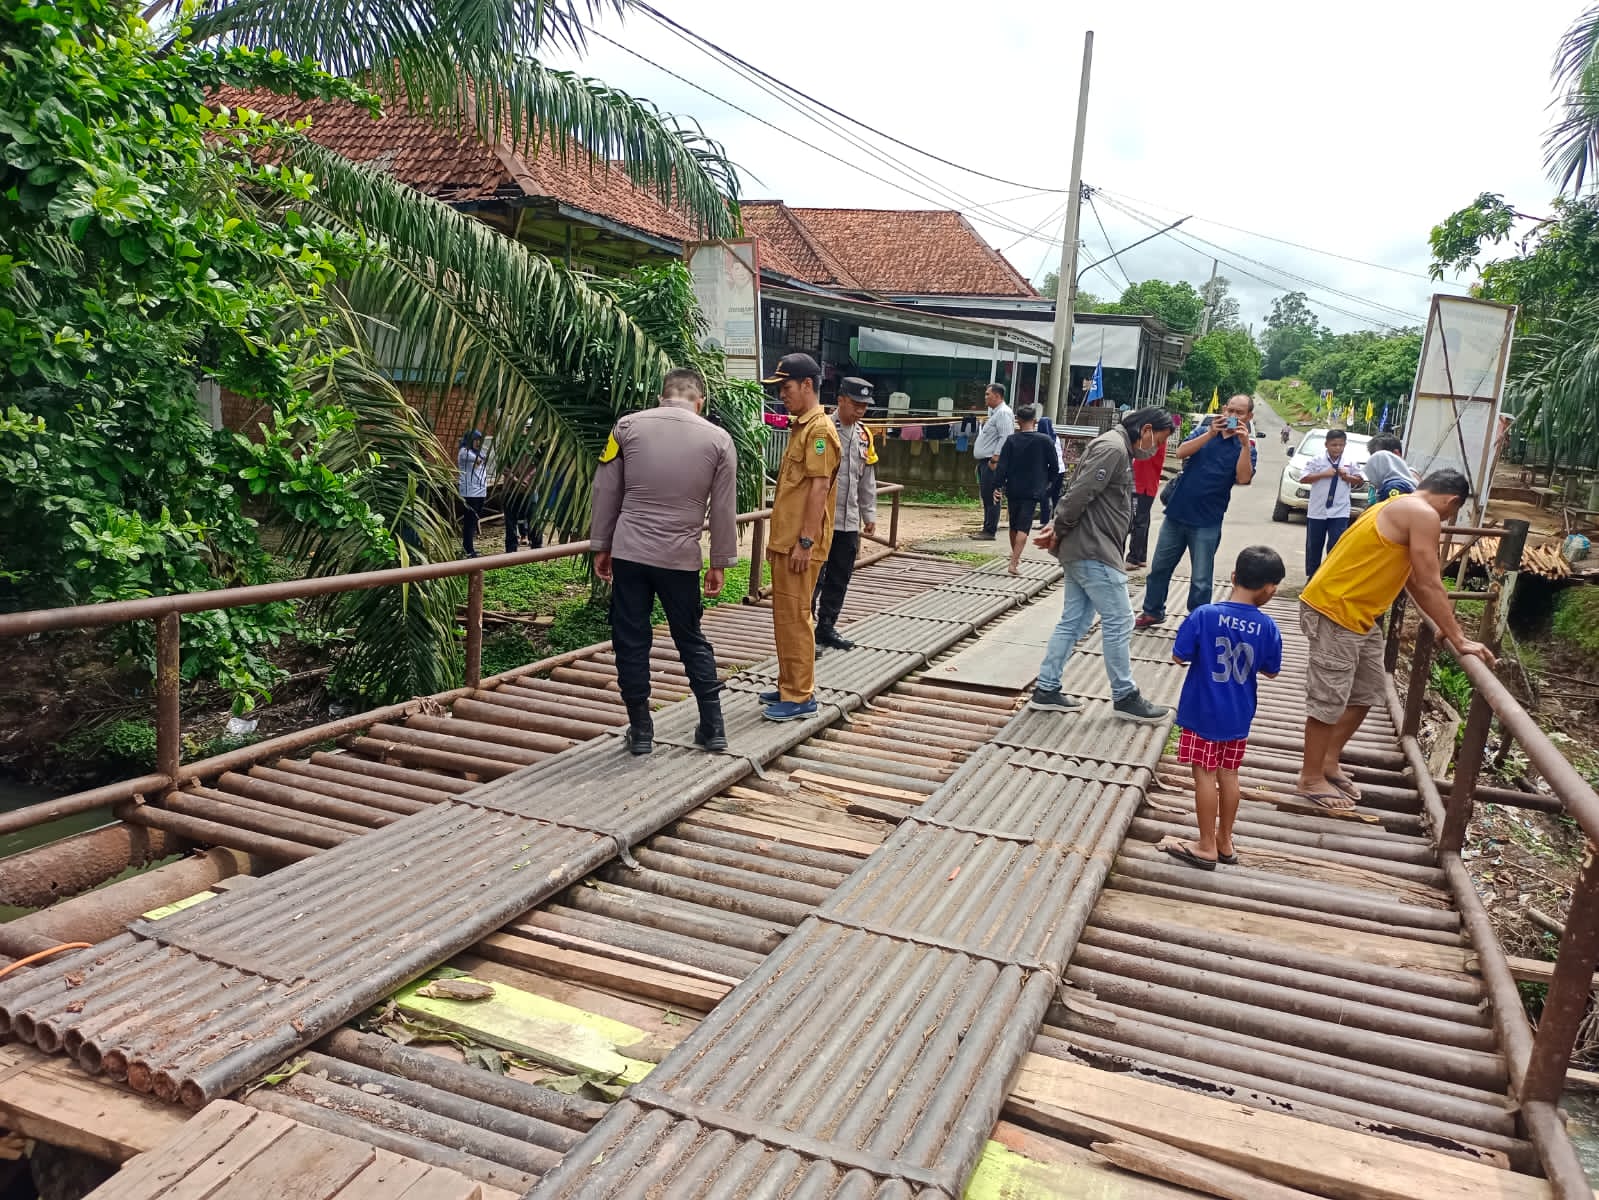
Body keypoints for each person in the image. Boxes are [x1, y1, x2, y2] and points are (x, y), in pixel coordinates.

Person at [1294, 471, 1495, 810]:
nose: (1447, 519)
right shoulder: (1423, 513)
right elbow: (1430, 581)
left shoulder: (1399, 505)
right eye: (1452, 513)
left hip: (1361, 614)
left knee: (1367, 692)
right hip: (1336, 610)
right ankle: (1310, 777)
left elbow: (1414, 577)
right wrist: (1459, 638)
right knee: (1329, 698)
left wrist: (1445, 626)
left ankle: (1328, 760)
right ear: (1451, 501)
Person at [589, 368, 738, 756]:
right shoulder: (719, 439)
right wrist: (719, 561)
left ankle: (641, 730)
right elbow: (724, 508)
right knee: (690, 637)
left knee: (631, 638)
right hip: (680, 559)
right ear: (699, 402)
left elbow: (606, 490)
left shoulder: (627, 427)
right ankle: (713, 727)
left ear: (661, 397)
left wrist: (602, 545)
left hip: (630, 553)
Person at [1028, 407, 1176, 723]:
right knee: (1120, 619)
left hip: (1087, 546)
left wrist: (1059, 528)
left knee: (1075, 621)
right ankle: (1125, 695)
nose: (1157, 448)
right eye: (1159, 440)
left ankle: (1047, 688)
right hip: (1093, 549)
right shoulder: (1113, 448)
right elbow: (1081, 492)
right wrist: (1058, 528)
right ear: (1146, 430)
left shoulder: (1117, 447)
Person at [1160, 546, 1286, 870]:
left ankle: (1205, 846)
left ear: (1233, 577)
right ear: (1269, 589)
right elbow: (1271, 670)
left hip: (1203, 712)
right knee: (1229, 774)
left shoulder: (1204, 615)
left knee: (1204, 774)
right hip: (1238, 714)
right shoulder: (1268, 626)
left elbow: (1179, 656)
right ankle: (1224, 841)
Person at [760, 353, 841, 721]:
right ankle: (789, 684)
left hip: (800, 544)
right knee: (785, 616)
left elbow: (819, 488)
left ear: (807, 385)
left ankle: (800, 695)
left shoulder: (819, 431)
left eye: (786, 387)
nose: (782, 394)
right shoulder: (802, 427)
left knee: (796, 616)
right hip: (787, 541)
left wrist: (806, 541)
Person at [1136, 394, 1256, 629]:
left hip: (1208, 519)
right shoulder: (1204, 431)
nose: (1232, 416)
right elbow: (1180, 452)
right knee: (1159, 568)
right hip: (1177, 512)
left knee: (1201, 578)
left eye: (1239, 413)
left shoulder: (1246, 447)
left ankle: (1197, 621)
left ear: (1249, 416)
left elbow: (1243, 478)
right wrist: (1210, 433)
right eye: (1230, 410)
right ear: (1224, 409)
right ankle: (1152, 611)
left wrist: (1243, 445)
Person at [813, 377, 878, 651]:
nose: (860, 410)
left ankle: (826, 626)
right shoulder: (823, 429)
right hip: (821, 519)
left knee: (840, 576)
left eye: (865, 405)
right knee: (815, 576)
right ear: (840, 400)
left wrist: (869, 514)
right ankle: (805, 628)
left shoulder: (864, 435)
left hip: (849, 520)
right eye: (855, 404)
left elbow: (867, 480)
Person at [992, 404, 1061, 576]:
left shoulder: (1011, 441)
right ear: (1035, 421)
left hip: (1013, 487)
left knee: (1014, 524)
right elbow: (1055, 466)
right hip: (1033, 489)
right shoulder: (1045, 440)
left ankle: (1014, 556)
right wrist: (1047, 483)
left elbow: (1002, 466)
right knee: (1024, 526)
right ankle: (1014, 563)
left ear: (1018, 421)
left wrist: (997, 486)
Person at [1301, 428, 1362, 578]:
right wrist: (1323, 474)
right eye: (1334, 445)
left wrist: (1347, 477)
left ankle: (1330, 576)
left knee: (1336, 544)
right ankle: (1312, 576)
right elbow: (1303, 478)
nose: (1337, 448)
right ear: (1326, 445)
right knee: (1314, 545)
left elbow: (1359, 481)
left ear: (1345, 445)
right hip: (1318, 510)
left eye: (1341, 445)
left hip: (1340, 511)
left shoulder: (1349, 462)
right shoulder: (1317, 460)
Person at [971, 383, 1015, 541]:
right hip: (986, 461)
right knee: (986, 495)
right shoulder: (996, 413)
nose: (985, 397)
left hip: (992, 462)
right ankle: (986, 527)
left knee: (992, 495)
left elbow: (1006, 437)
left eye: (987, 394)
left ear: (997, 396)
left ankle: (990, 530)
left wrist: (996, 458)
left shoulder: (1003, 413)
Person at [1126, 427, 1167, 569]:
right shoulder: (1158, 438)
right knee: (1143, 520)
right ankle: (1141, 556)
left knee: (1139, 521)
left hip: (1142, 484)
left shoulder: (1154, 439)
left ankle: (1133, 558)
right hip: (1146, 484)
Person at [457, 429, 489, 558]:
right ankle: (468, 549)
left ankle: (470, 547)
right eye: (475, 440)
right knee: (469, 521)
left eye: (479, 440)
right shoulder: (464, 452)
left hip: (480, 491)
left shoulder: (477, 452)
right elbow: (480, 460)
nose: (478, 443)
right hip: (470, 492)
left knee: (474, 520)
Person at [1364, 434, 1418, 503]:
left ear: (1395, 454)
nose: (1375, 465)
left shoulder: (1395, 485)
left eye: (1379, 459)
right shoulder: (1409, 478)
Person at [1037, 415, 1066, 517]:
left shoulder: (1042, 439)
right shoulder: (1055, 437)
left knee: (1044, 494)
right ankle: (1056, 519)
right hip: (1061, 469)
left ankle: (1045, 519)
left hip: (1048, 470)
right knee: (1056, 495)